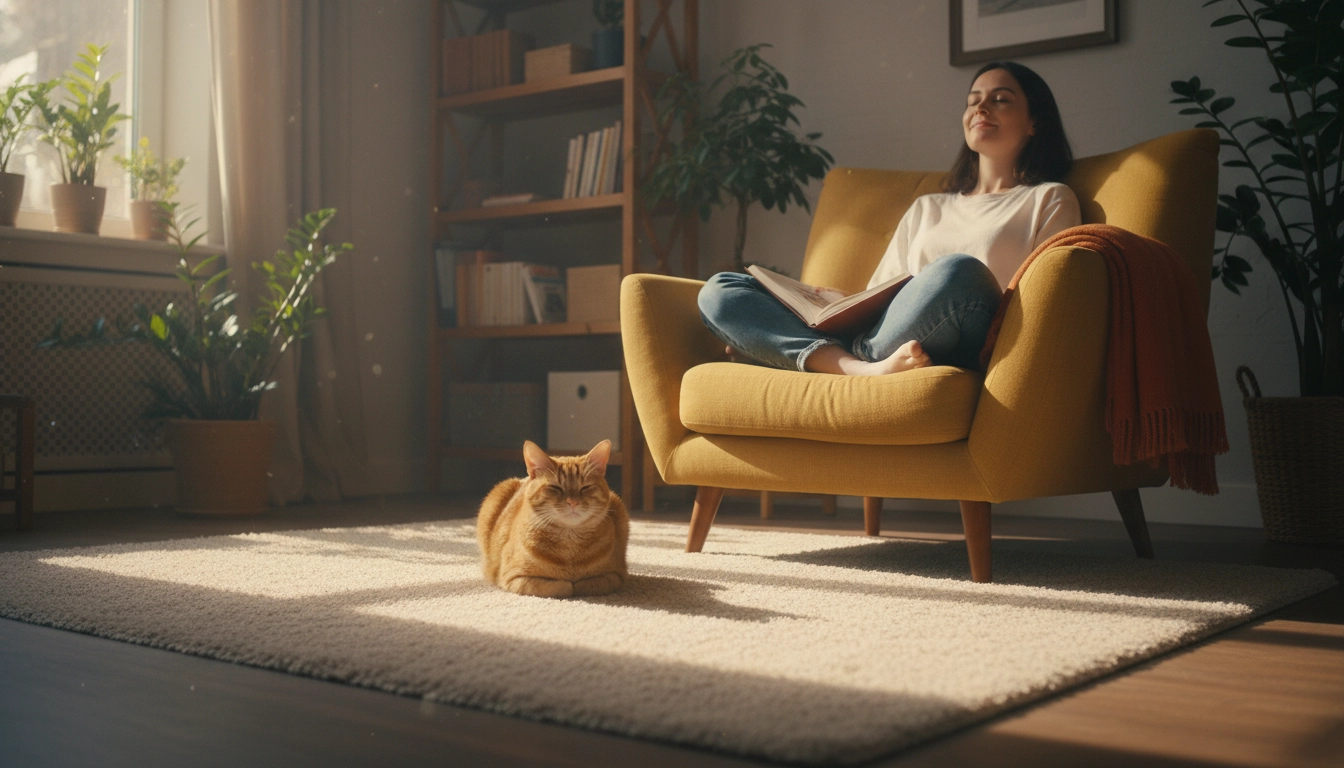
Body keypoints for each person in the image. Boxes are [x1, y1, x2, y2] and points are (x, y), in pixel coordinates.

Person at [697, 61, 1082, 376]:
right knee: (721, 290)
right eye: (973, 100)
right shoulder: (928, 207)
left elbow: (1047, 303)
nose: (980, 108)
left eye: (1000, 100)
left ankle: (794, 357)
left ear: (1035, 122)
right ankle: (856, 369)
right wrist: (834, 301)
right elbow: (884, 295)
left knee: (957, 272)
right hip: (886, 339)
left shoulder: (1048, 199)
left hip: (968, 330)